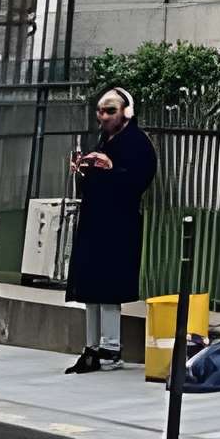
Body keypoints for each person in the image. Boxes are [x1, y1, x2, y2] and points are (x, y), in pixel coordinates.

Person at [64, 85, 157, 374]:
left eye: (110, 111)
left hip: (118, 225)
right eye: (100, 111)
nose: (103, 117)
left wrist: (111, 169)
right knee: (90, 287)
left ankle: (111, 349)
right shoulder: (102, 140)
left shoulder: (137, 143)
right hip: (94, 222)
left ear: (126, 113)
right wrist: (83, 169)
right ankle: (91, 348)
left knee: (108, 289)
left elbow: (137, 180)